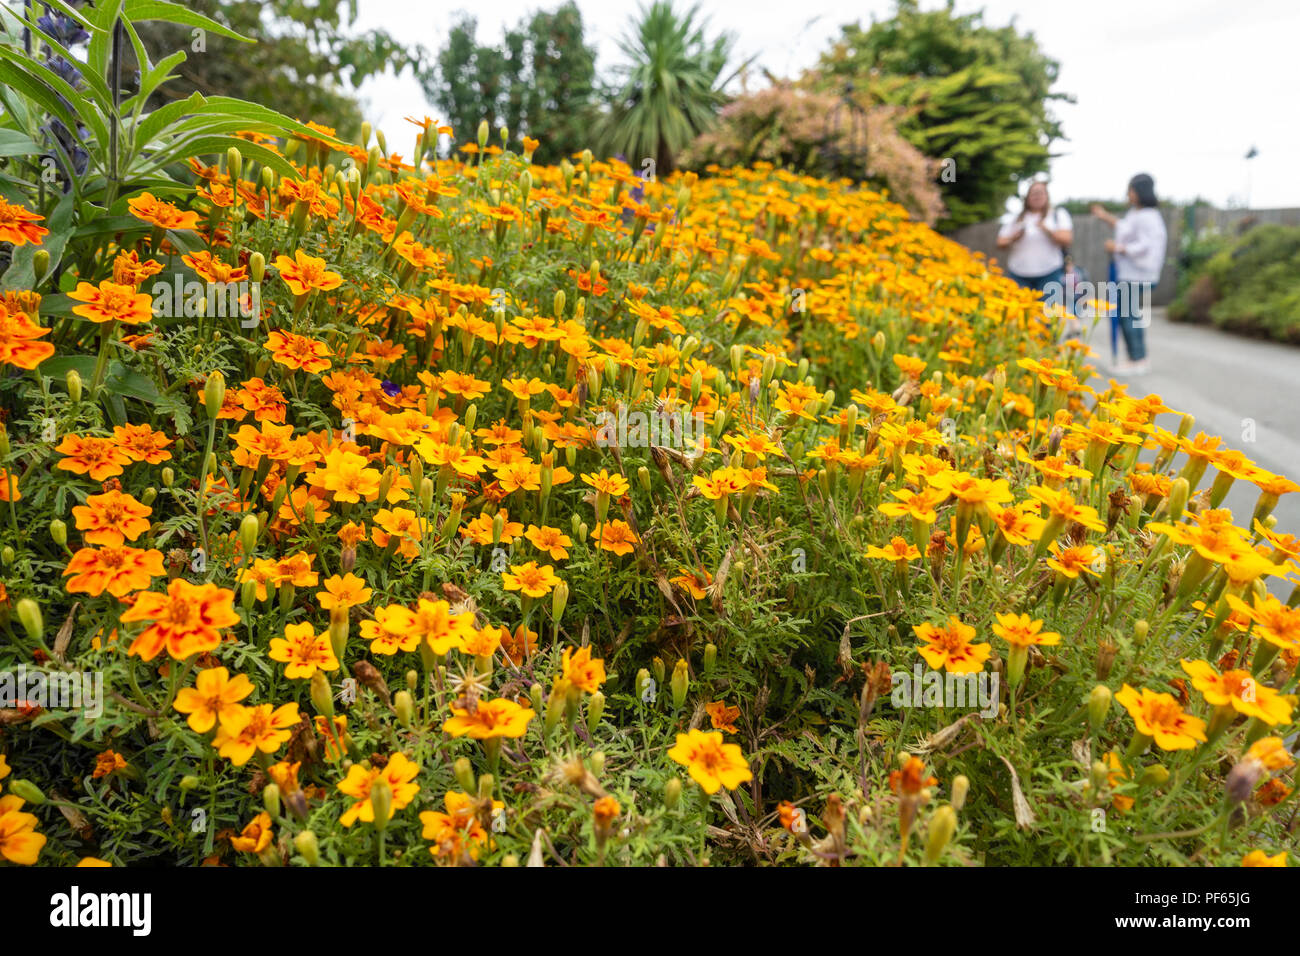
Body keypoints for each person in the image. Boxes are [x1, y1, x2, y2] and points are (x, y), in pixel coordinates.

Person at [1091, 174, 1167, 374]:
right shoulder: (1137, 213)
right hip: (1131, 273)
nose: (1128, 194)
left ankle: (1138, 359)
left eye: (1131, 190)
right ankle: (1136, 357)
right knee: (1128, 315)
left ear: (1140, 191)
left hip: (1138, 273)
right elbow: (1125, 228)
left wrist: (1118, 247)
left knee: (1129, 316)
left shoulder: (1147, 216)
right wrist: (1105, 216)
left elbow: (1145, 245)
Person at [996, 181, 1073, 292]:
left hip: (1050, 273)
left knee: (1048, 309)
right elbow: (999, 242)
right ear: (1027, 197)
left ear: (1047, 196)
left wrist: (1046, 229)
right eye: (1033, 193)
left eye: (1040, 193)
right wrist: (1014, 238)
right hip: (1018, 274)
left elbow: (1067, 239)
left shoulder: (1058, 214)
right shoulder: (1015, 218)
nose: (1037, 196)